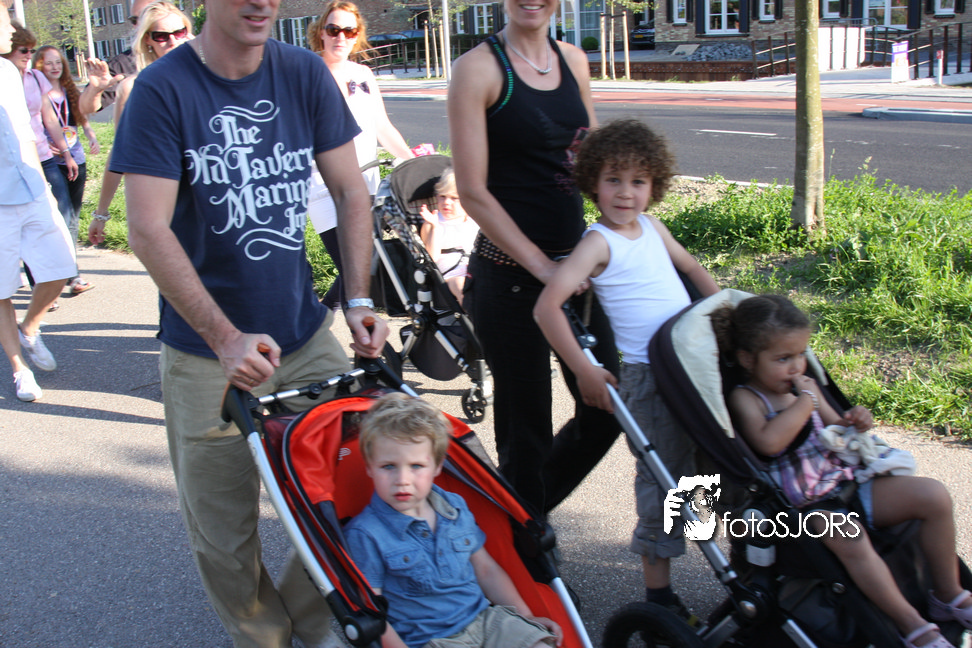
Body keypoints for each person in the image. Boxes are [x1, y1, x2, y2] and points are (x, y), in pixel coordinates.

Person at [109, 0, 388, 644]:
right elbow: (147, 228)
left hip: (305, 335)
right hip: (206, 356)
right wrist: (224, 337)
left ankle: (308, 623)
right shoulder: (163, 88)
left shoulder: (303, 72)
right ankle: (264, 639)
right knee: (224, 533)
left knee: (357, 487)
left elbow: (352, 191)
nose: (261, 3)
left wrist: (358, 300)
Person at [533, 118, 720, 619]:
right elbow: (547, 307)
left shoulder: (654, 229)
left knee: (706, 469)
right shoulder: (598, 243)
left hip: (693, 366)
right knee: (663, 479)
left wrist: (726, 314)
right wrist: (585, 369)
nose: (625, 192)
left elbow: (691, 268)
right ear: (592, 182)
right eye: (613, 179)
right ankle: (660, 597)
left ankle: (717, 562)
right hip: (650, 380)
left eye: (638, 181)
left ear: (654, 186)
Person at [711, 294, 972, 648]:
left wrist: (856, 421)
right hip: (803, 509)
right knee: (851, 538)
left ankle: (948, 594)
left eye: (800, 355)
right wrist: (807, 402)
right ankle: (911, 625)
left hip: (846, 485)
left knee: (933, 495)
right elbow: (769, 442)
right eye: (783, 359)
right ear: (747, 359)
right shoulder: (747, 398)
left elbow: (838, 429)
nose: (796, 367)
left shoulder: (807, 389)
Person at [447, 0, 620, 516]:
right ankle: (529, 542)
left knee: (610, 407)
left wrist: (622, 233)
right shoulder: (478, 68)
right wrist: (543, 267)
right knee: (527, 436)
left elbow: (593, 161)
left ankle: (518, 519)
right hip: (509, 280)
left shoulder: (574, 60)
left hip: (576, 272)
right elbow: (473, 191)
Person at [345, 392, 561, 648]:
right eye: (388, 466)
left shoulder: (454, 507)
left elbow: (486, 569)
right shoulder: (366, 534)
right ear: (369, 467)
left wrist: (526, 617)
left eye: (416, 466)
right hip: (433, 640)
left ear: (437, 466)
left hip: (485, 621)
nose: (402, 480)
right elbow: (373, 610)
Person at [305, 0, 415, 309]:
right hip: (323, 187)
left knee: (359, 269)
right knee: (354, 268)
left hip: (365, 184)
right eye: (333, 30)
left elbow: (382, 126)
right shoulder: (308, 73)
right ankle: (331, 324)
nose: (341, 37)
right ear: (321, 33)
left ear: (357, 36)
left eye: (349, 31)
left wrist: (413, 162)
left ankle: (318, 322)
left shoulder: (363, 74)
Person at [0, 4, 76, 401]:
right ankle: (20, 369)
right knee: (2, 289)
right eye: (2, 17)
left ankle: (30, 326)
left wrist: (43, 183)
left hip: (30, 187)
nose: (9, 28)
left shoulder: (8, 73)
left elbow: (24, 131)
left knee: (61, 266)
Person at [87, 0, 192, 247]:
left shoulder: (212, 76)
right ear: (148, 40)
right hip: (166, 202)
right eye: (161, 36)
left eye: (179, 32)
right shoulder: (133, 87)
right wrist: (101, 213)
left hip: (215, 196)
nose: (173, 41)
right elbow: (121, 152)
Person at [2, 22, 79, 305]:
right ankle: (38, 282)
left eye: (31, 50)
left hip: (40, 159)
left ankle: (65, 275)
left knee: (62, 215)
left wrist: (66, 153)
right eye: (23, 50)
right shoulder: (6, 75)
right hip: (9, 171)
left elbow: (49, 118)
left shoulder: (34, 78)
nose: (28, 55)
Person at [33, 45, 100, 294]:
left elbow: (82, 118)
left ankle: (72, 275)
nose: (54, 67)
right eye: (48, 62)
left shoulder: (69, 90)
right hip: (52, 163)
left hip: (76, 158)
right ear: (39, 66)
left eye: (58, 62)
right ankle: (51, 276)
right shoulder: (36, 93)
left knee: (72, 218)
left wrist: (91, 137)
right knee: (60, 218)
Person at [418, 168, 478, 303]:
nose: (446, 202)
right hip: (451, 274)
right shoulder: (432, 222)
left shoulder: (473, 220)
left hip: (474, 267)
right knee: (463, 287)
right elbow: (432, 258)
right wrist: (435, 227)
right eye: (442, 196)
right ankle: (473, 315)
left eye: (454, 198)